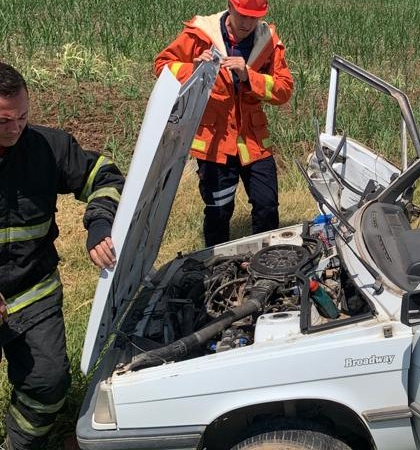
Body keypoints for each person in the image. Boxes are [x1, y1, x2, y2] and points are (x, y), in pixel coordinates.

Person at [0, 62, 124, 449]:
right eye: (4, 121)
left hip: (31, 290)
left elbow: (105, 175)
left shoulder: (46, 147)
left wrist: (100, 224)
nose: (16, 128)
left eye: (23, 117)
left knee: (49, 383)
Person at [154, 0, 294, 247]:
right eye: (242, 16)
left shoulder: (267, 40)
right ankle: (217, 263)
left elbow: (284, 89)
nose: (247, 24)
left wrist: (248, 75)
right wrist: (193, 68)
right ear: (230, 7)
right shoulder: (201, 33)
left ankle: (266, 261)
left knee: (267, 205)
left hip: (253, 141)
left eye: (254, 17)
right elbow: (162, 66)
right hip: (215, 141)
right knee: (218, 210)